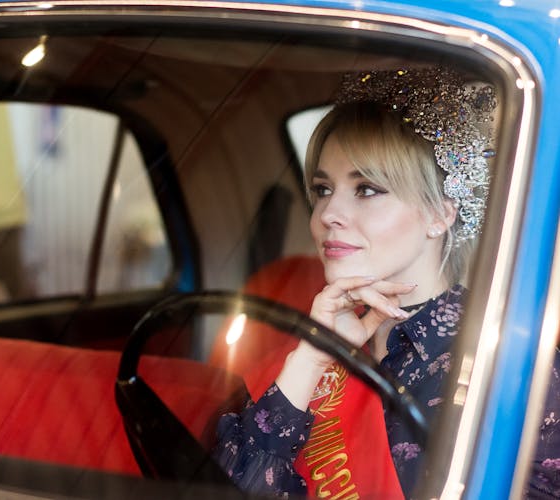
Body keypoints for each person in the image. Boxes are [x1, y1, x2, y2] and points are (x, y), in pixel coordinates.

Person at [213, 67, 558, 498]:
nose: (327, 215)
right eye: (323, 189)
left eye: (367, 189)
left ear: (440, 214)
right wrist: (310, 357)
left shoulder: (509, 372)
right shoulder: (320, 341)